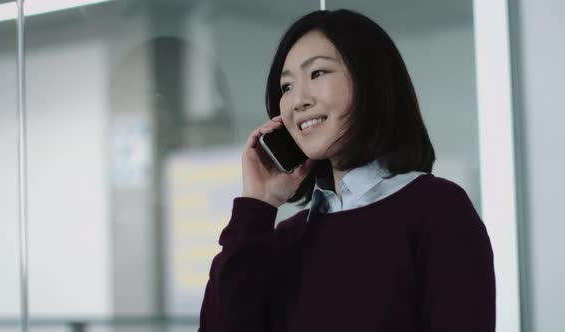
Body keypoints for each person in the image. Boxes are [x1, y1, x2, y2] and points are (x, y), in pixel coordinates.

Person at [198, 9, 495, 332]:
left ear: (371, 81)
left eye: (318, 73)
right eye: (286, 86)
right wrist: (257, 205)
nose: (298, 100)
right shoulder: (285, 238)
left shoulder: (436, 209)